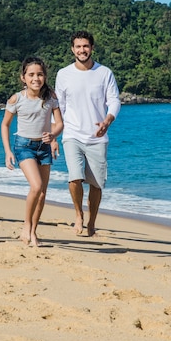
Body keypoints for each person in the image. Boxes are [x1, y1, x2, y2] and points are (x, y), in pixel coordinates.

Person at [54, 31, 121, 237]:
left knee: (96, 184)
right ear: (72, 49)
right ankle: (78, 215)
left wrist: (107, 121)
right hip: (72, 134)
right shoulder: (63, 74)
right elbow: (58, 107)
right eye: (78, 46)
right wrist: (54, 136)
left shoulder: (104, 73)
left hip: (97, 137)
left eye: (85, 46)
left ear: (91, 48)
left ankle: (92, 222)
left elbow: (115, 100)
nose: (82, 50)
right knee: (75, 178)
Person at [1, 57, 63, 247]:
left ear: (44, 76)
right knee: (36, 186)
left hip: (43, 149)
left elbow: (60, 123)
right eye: (31, 75)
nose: (36, 78)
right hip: (24, 146)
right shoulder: (16, 99)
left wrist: (53, 135)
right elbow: (5, 124)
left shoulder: (50, 97)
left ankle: (33, 231)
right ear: (23, 78)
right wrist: (7, 151)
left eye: (40, 74)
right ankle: (26, 226)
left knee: (42, 194)